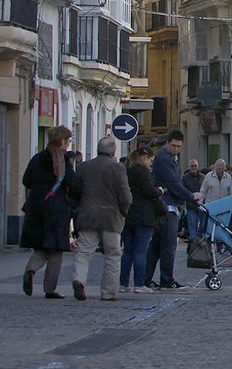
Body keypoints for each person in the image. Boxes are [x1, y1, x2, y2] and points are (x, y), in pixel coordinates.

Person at [20, 126, 81, 299]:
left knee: (40, 246)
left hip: (37, 207)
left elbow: (26, 180)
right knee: (56, 250)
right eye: (68, 141)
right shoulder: (63, 161)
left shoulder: (37, 158)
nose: (68, 144)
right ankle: (50, 288)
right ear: (62, 141)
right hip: (57, 209)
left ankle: (30, 271)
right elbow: (75, 185)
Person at [72, 137, 132, 302]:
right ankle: (108, 292)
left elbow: (76, 191)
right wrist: (124, 211)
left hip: (88, 215)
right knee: (112, 255)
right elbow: (125, 194)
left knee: (84, 251)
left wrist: (79, 208)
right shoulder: (117, 168)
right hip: (111, 217)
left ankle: (79, 279)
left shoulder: (83, 167)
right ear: (113, 152)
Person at [149, 129, 198, 290]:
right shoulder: (164, 158)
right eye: (173, 145)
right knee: (168, 246)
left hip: (168, 205)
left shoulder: (172, 158)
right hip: (166, 206)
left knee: (156, 246)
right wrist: (190, 196)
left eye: (179, 146)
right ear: (167, 143)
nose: (176, 149)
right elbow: (173, 183)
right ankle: (166, 280)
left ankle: (146, 278)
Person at [120, 145, 162, 294]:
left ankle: (123, 284)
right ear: (144, 158)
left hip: (128, 215)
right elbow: (150, 191)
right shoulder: (143, 172)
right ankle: (139, 284)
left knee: (128, 251)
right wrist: (159, 191)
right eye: (151, 159)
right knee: (140, 250)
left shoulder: (127, 170)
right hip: (143, 215)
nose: (151, 163)